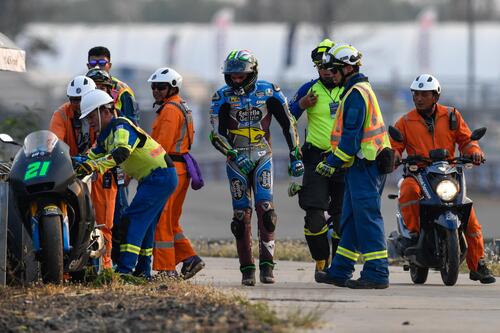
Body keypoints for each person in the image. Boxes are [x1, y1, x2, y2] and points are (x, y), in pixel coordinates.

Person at [209, 49, 303, 286]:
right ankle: (247, 270)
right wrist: (231, 152)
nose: (236, 80)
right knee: (241, 215)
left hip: (263, 156)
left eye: (241, 76)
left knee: (266, 209)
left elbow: (288, 124)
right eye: (232, 76)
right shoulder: (220, 96)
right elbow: (215, 134)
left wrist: (295, 155)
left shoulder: (270, 91)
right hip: (236, 161)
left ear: (252, 73)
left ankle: (267, 267)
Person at [391, 74, 496, 284]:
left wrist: (474, 151)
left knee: (469, 217)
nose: (419, 98)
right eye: (416, 94)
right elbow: (395, 147)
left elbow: (466, 140)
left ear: (435, 95)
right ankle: (412, 233)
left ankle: (478, 265)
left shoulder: (452, 115)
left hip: (448, 172)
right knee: (408, 191)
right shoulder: (404, 121)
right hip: (418, 172)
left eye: (424, 94)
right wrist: (392, 157)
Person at [75, 89, 177, 279]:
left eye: (91, 117)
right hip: (155, 178)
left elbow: (121, 153)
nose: (89, 122)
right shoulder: (105, 136)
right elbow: (90, 156)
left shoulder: (120, 127)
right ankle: (143, 271)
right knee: (145, 224)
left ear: (105, 111)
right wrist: (74, 163)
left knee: (132, 220)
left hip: (160, 176)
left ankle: (125, 270)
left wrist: (95, 167)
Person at [315, 44, 392, 289]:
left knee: (367, 218)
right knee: (350, 218)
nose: (331, 74)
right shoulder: (354, 91)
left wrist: (331, 163)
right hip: (359, 165)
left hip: (365, 165)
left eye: (335, 70)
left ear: (348, 68)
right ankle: (340, 270)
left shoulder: (357, 93)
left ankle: (377, 272)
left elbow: (350, 138)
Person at [289, 38, 345, 281]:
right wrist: (302, 104)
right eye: (319, 67)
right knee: (314, 215)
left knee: (342, 216)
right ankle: (321, 259)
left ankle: (340, 263)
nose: (325, 72)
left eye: (329, 67)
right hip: (315, 159)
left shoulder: (350, 88)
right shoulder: (309, 89)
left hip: (344, 161)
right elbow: (287, 116)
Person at [49, 75, 117, 269]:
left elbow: (104, 142)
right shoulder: (62, 114)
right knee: (72, 217)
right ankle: (72, 265)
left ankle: (104, 267)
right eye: (73, 99)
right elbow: (54, 141)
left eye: (81, 99)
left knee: (104, 222)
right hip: (71, 171)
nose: (77, 104)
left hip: (100, 171)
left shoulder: (105, 111)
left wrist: (89, 160)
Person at [148, 67, 205, 279]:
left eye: (161, 87)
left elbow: (161, 146)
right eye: (154, 87)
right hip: (180, 169)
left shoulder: (171, 110)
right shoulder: (179, 106)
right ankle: (190, 259)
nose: (156, 91)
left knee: (162, 219)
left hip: (170, 168)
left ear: (173, 87)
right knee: (171, 221)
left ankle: (165, 269)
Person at [87, 46, 139, 263]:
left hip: (115, 158)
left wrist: (127, 166)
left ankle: (121, 262)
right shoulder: (84, 87)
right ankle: (94, 259)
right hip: (90, 157)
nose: (98, 68)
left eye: (102, 63)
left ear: (110, 65)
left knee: (118, 210)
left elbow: (132, 126)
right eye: (93, 64)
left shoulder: (122, 91)